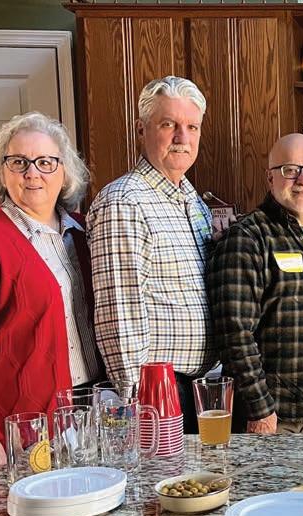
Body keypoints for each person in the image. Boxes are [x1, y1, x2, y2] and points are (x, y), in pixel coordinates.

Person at [0, 112, 101, 476]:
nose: (33, 173)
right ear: (2, 172)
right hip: (24, 424)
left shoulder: (84, 234)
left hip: (91, 413)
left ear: (64, 172)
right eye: (19, 162)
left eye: (46, 162)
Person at [87, 76, 217, 434]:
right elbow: (119, 312)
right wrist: (139, 406)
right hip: (158, 395)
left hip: (198, 386)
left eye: (192, 127)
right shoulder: (125, 202)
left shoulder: (193, 201)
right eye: (168, 124)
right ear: (141, 129)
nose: (182, 137)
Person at [208, 133, 303, 434]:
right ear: (270, 178)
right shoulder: (246, 239)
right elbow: (234, 334)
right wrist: (260, 409)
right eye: (290, 170)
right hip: (272, 418)